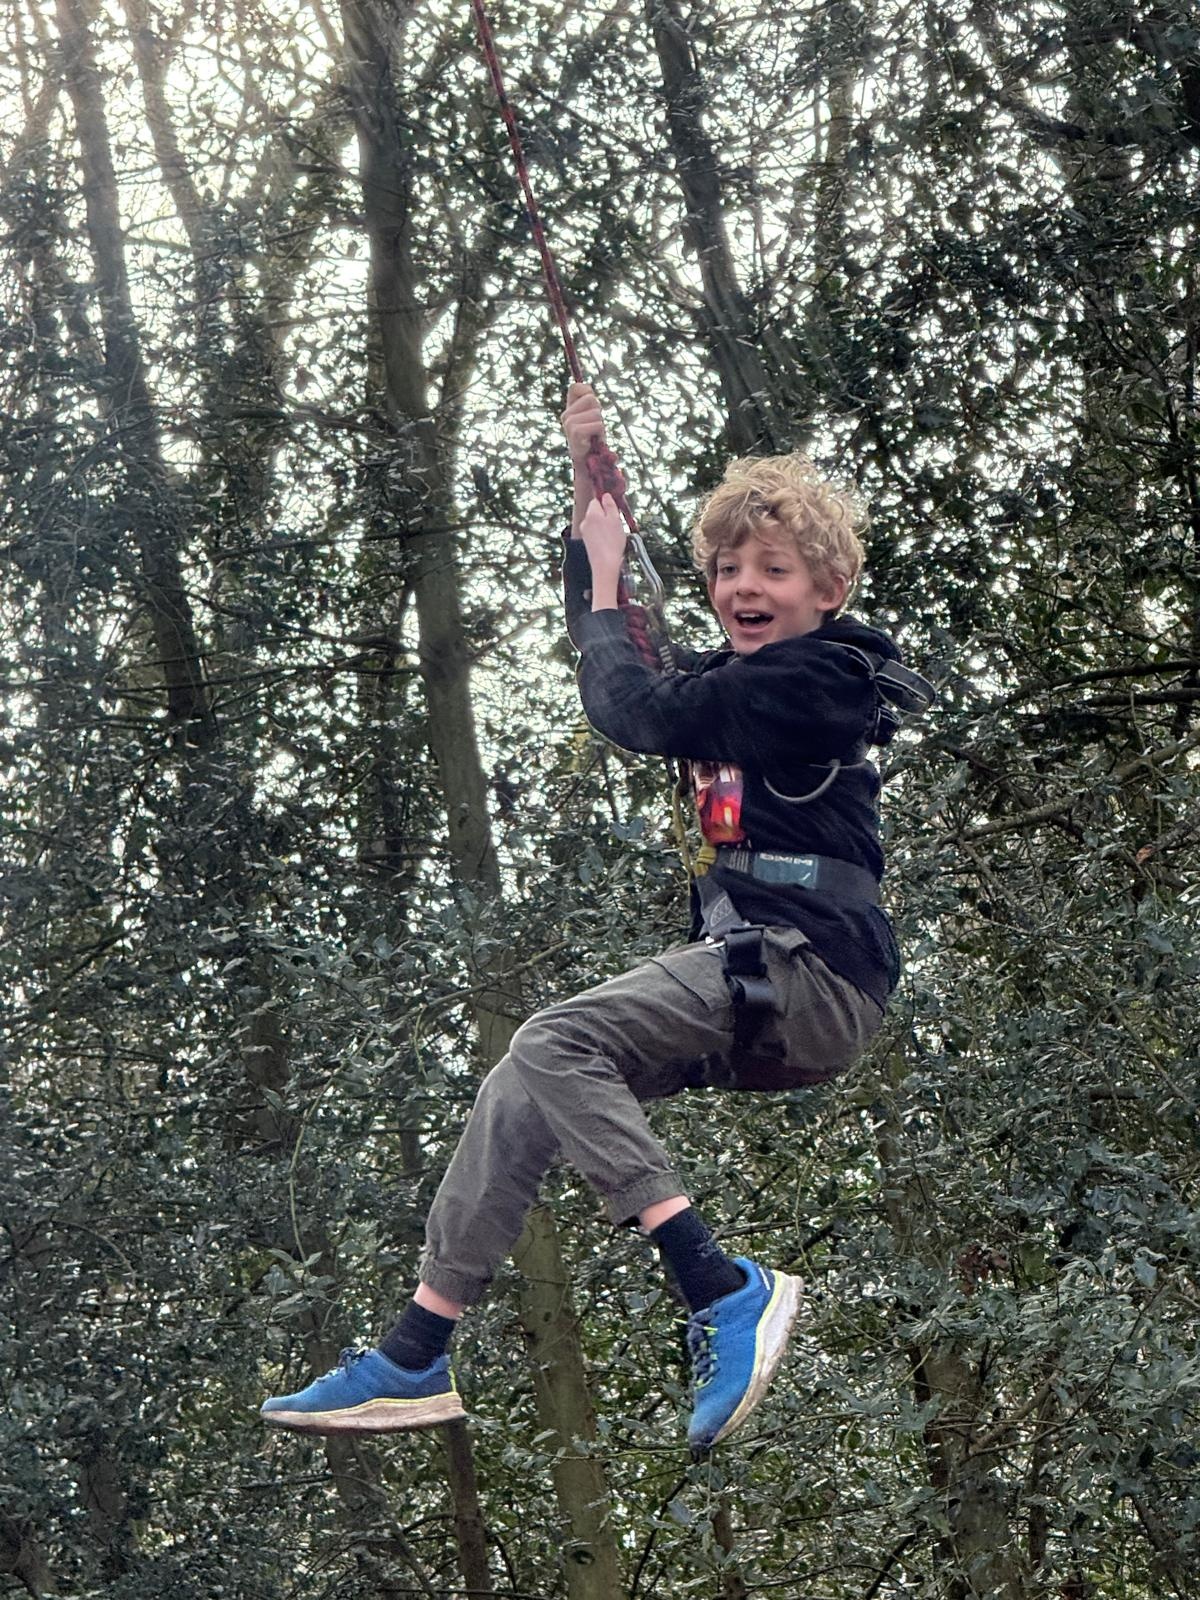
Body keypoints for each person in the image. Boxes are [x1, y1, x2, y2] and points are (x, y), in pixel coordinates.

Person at [260, 383, 910, 1453]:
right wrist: (589, 497)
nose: (742, 587)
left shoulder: (815, 681)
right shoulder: (739, 679)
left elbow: (631, 707)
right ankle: (417, 1347)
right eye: (726, 570)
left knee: (554, 1037)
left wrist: (608, 590)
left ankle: (719, 1286)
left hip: (814, 974)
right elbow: (627, 656)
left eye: (772, 571)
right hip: (765, 974)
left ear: (828, 591)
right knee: (522, 1085)